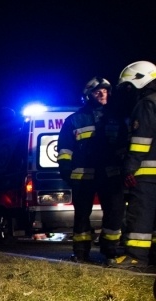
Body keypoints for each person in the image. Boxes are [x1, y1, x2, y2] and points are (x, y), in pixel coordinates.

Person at [57, 76, 127, 263]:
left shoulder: (115, 119)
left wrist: (125, 169)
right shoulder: (74, 120)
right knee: (81, 215)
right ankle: (81, 251)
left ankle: (110, 249)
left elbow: (123, 146)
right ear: (88, 96)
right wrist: (65, 170)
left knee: (114, 213)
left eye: (105, 91)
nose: (102, 93)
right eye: (98, 91)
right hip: (83, 175)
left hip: (110, 175)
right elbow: (64, 149)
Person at [109, 61, 156, 271]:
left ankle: (136, 257)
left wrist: (129, 167)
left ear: (140, 79)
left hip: (147, 172)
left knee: (141, 213)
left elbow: (141, 140)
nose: (127, 92)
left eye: (128, 86)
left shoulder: (146, 104)